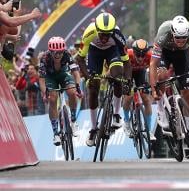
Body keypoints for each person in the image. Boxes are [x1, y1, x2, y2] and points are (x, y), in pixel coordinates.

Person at [75, 12, 131, 147]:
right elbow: (79, 59)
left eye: (108, 34)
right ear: (97, 30)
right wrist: (88, 77)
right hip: (94, 53)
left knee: (118, 77)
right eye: (102, 34)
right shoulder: (89, 33)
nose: (105, 38)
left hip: (113, 51)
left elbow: (127, 63)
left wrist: (127, 80)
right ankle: (94, 129)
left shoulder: (118, 36)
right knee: (93, 87)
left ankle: (117, 114)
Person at [149, 15, 189, 146]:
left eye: (184, 38)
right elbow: (153, 64)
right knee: (162, 76)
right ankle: (161, 110)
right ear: (172, 33)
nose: (180, 40)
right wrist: (153, 89)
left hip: (182, 55)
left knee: (187, 93)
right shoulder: (163, 33)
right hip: (165, 53)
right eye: (177, 37)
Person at [38, 37, 82, 146]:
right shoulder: (44, 58)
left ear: (64, 51)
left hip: (63, 74)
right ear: (50, 52)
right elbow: (42, 79)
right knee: (52, 99)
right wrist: (45, 93)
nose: (58, 55)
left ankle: (73, 120)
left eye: (60, 52)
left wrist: (78, 87)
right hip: (50, 77)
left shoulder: (67, 54)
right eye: (55, 53)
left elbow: (75, 72)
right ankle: (56, 133)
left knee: (72, 92)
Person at [122, 39, 156, 141]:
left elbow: (152, 73)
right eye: (138, 55)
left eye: (143, 55)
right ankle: (127, 122)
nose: (141, 58)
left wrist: (152, 86)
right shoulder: (128, 54)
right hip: (128, 73)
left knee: (146, 99)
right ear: (134, 51)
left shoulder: (150, 56)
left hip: (140, 73)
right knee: (128, 97)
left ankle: (148, 131)